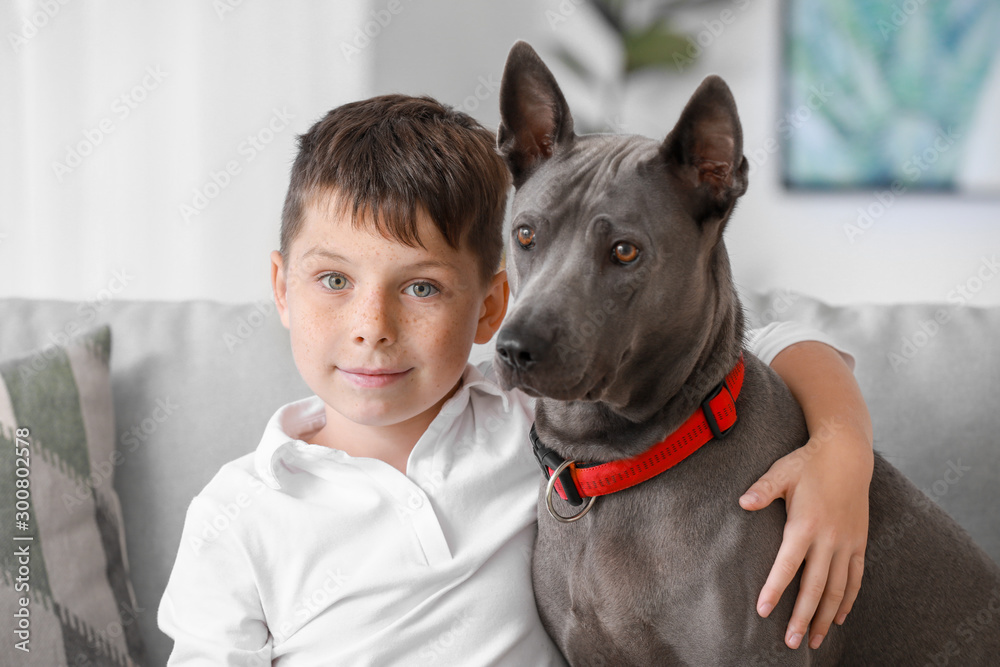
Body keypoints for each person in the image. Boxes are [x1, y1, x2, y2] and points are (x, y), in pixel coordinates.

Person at [158, 94, 874, 664]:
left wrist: (842, 446)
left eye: (421, 289)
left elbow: (773, 342)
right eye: (334, 279)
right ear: (281, 287)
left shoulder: (528, 417)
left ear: (492, 307)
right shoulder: (239, 513)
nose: (370, 324)